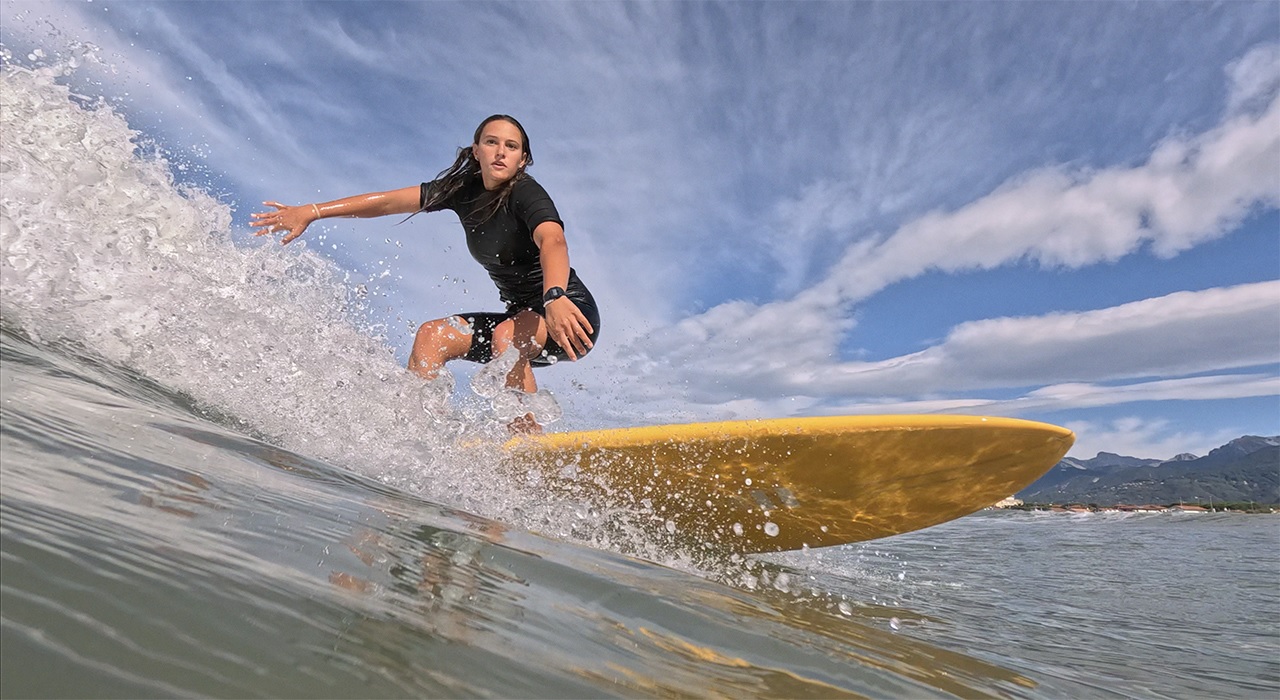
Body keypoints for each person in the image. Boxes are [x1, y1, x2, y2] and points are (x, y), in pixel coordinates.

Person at [250, 114, 600, 433]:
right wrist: (313, 211)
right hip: (521, 316)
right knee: (433, 335)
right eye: (491, 142)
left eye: (511, 146)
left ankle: (528, 444)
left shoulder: (526, 192)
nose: (500, 152)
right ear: (476, 151)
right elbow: (387, 202)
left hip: (569, 312)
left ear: (522, 159)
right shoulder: (462, 191)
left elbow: (553, 240)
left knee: (506, 337)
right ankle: (417, 436)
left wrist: (555, 296)